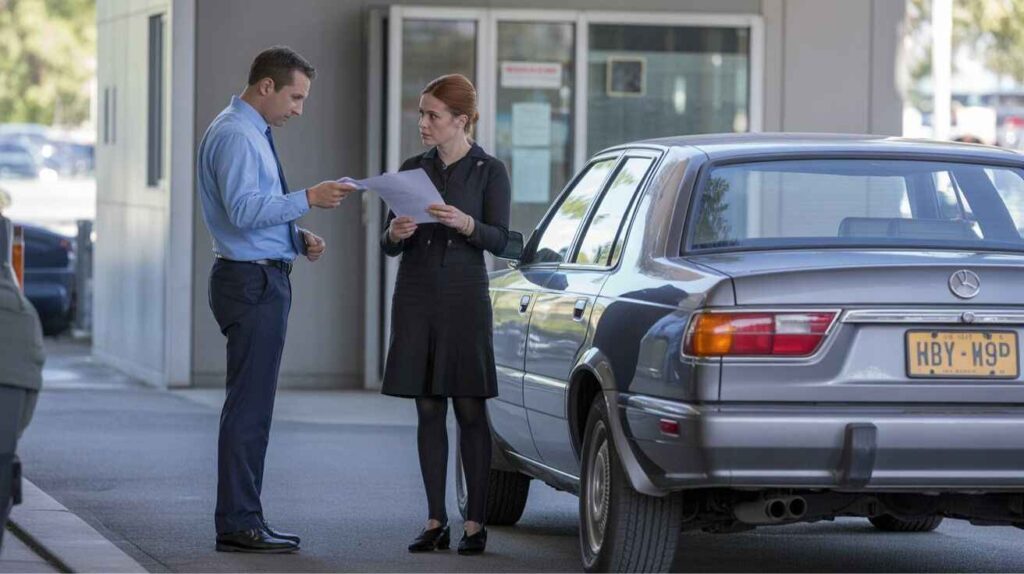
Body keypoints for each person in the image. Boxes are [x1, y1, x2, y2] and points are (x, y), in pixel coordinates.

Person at [197, 45, 356, 554]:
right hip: (251, 284)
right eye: (295, 96)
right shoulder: (237, 134)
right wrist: (308, 197)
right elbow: (243, 211)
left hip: (256, 275)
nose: (299, 109)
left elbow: (251, 212)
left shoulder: (244, 130)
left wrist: (295, 235)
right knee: (249, 409)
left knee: (252, 407)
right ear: (266, 86)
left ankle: (245, 519)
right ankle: (240, 523)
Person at [380, 73, 510, 556]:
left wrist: (468, 223)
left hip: (464, 297)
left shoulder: (489, 171)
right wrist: (395, 233)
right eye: (421, 113)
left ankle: (475, 522)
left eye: (433, 115)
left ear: (462, 120)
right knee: (428, 407)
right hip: (416, 296)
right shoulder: (412, 168)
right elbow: (387, 245)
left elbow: (503, 239)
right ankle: (435, 519)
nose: (423, 123)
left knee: (470, 408)